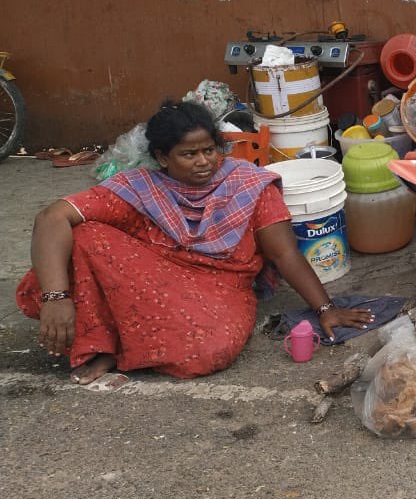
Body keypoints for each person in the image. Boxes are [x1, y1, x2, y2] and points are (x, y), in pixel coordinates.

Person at [17, 101, 373, 384]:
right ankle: (105, 344)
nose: (203, 162)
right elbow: (51, 218)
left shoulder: (249, 185)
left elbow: (284, 252)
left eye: (209, 151)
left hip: (222, 286)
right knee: (84, 237)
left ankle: (123, 349)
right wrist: (55, 298)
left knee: (208, 352)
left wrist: (326, 309)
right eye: (189, 155)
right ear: (162, 158)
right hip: (156, 274)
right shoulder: (142, 187)